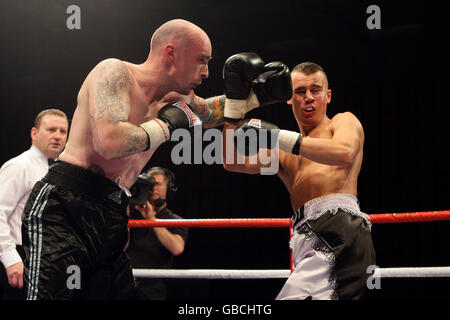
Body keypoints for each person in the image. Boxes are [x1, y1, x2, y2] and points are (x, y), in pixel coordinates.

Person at [222, 61, 376, 300]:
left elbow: (344, 152)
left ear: (328, 95)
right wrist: (233, 108)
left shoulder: (343, 122)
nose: (309, 97)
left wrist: (277, 136)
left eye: (316, 90)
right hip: (306, 237)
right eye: (300, 92)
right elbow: (232, 162)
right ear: (289, 98)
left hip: (340, 231)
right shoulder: (283, 153)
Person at [0, 109, 68, 300]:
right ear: (34, 133)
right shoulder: (19, 166)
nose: (57, 136)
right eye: (51, 129)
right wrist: (10, 258)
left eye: (63, 131)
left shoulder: (60, 172)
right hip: (19, 256)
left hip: (47, 259)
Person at [126, 167, 188, 300]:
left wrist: (151, 220)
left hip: (153, 288)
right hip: (125, 282)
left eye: (157, 184)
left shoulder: (175, 220)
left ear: (169, 189)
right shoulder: (132, 216)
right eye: (149, 184)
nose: (152, 187)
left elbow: (177, 248)